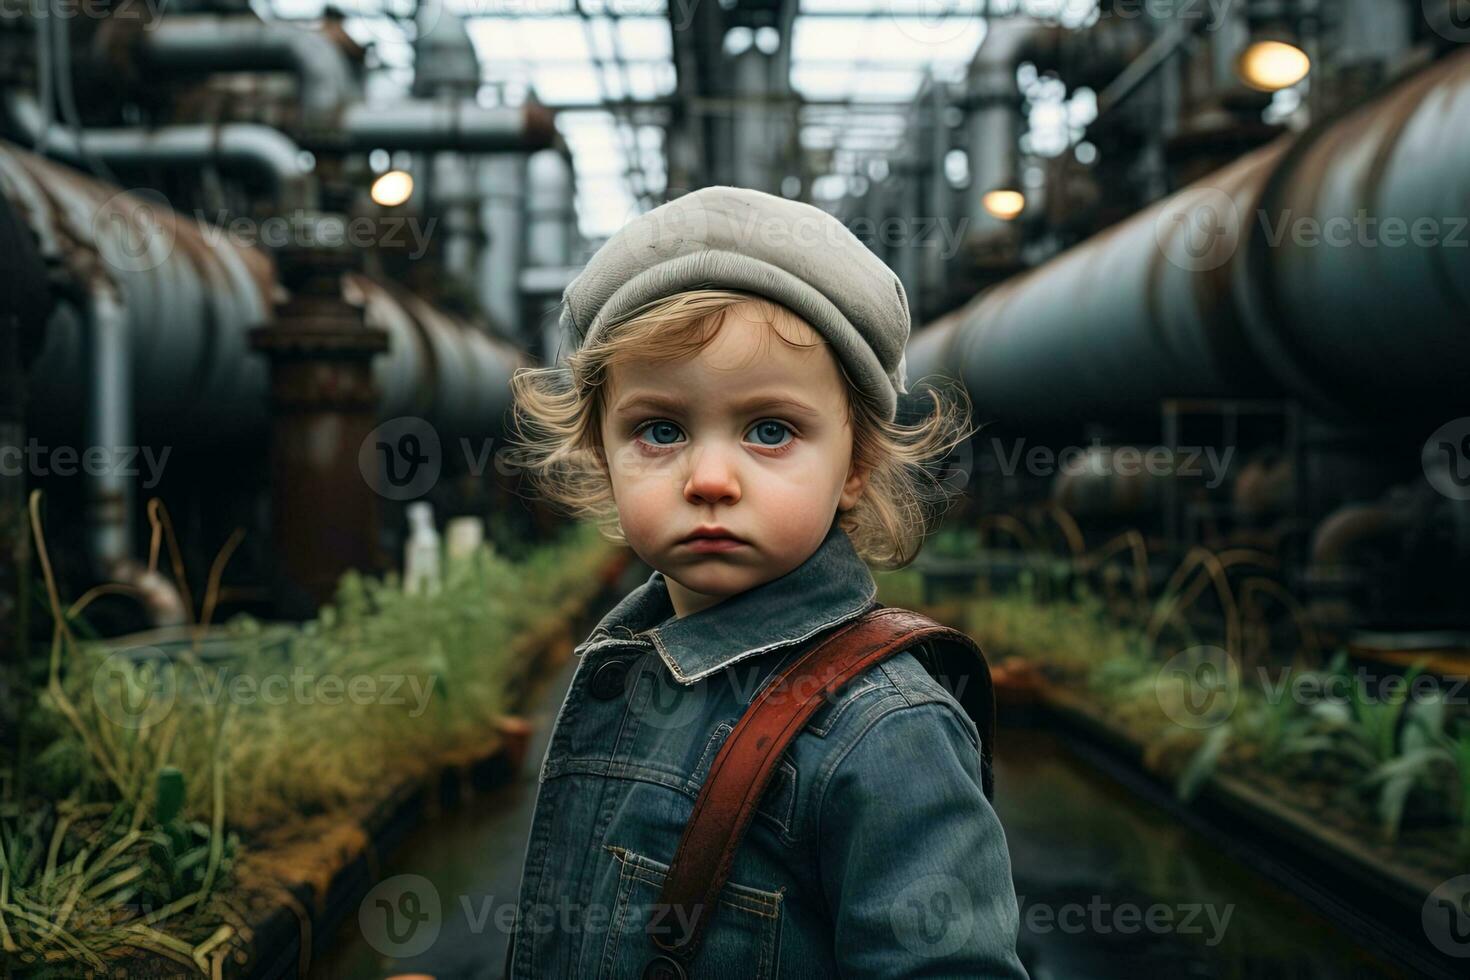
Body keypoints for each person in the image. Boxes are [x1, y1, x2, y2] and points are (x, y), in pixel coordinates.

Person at [502, 185, 1028, 979]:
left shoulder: (885, 733)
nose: (710, 478)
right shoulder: (625, 661)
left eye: (770, 431)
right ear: (602, 456)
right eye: (660, 431)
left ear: (856, 465)